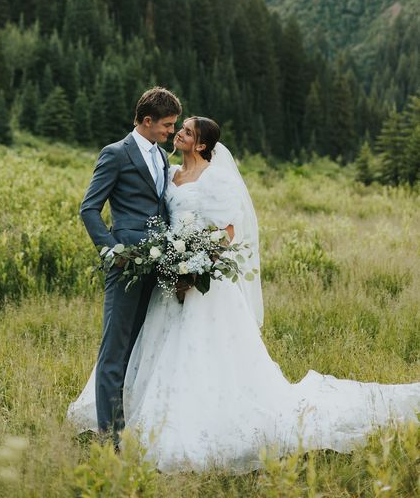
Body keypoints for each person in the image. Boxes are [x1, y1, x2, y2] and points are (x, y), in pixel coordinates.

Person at [69, 116, 420, 473]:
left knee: (205, 356)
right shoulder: (169, 170)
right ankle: (129, 424)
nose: (179, 133)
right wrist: (171, 263)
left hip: (202, 285)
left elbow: (229, 232)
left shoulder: (216, 179)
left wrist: (196, 264)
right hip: (167, 279)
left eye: (187, 131)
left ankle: (204, 424)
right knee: (157, 351)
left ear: (202, 144)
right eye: (179, 128)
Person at [74, 86, 182, 444]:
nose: (171, 131)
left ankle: (135, 424)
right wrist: (111, 250)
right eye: (167, 125)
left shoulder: (162, 157)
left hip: (159, 265)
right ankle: (110, 435)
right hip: (126, 265)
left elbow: (160, 208)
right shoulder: (116, 154)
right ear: (147, 121)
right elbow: (89, 208)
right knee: (115, 350)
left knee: (141, 347)